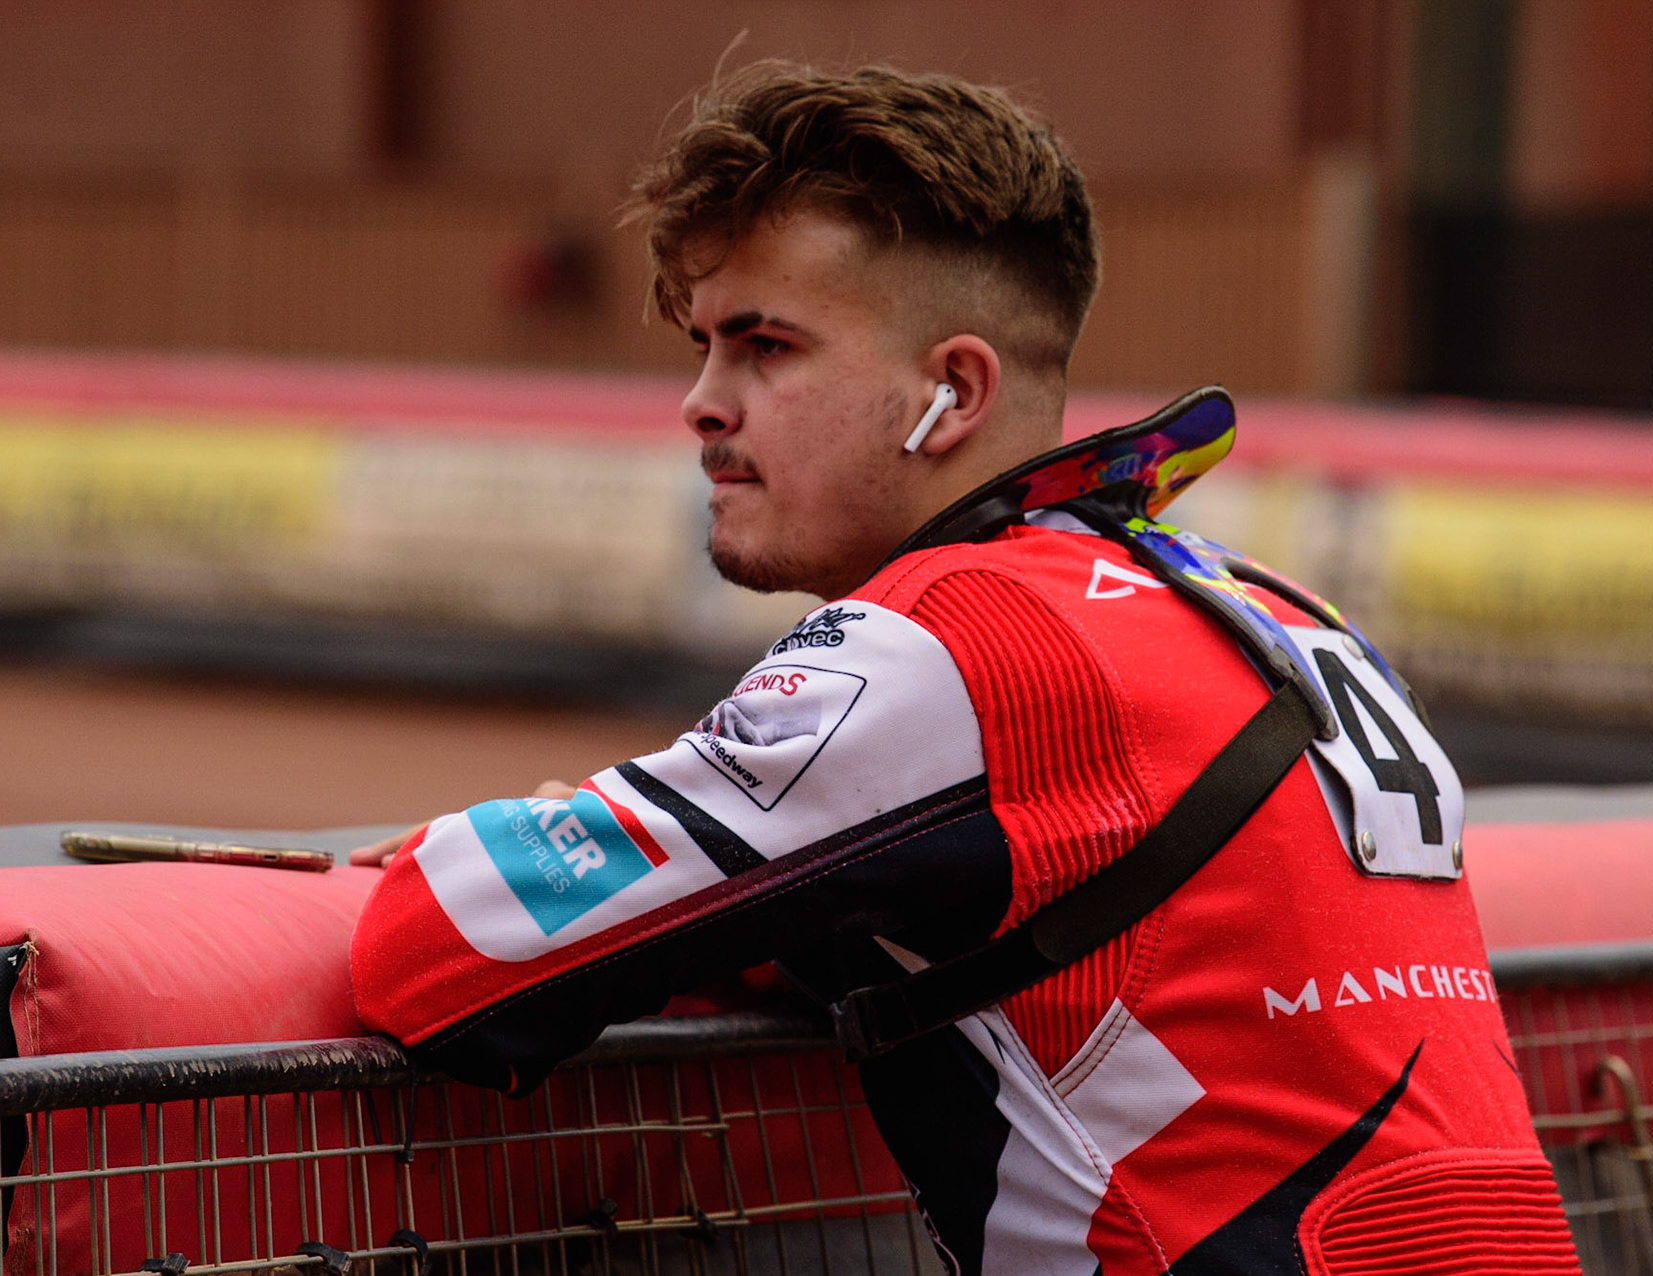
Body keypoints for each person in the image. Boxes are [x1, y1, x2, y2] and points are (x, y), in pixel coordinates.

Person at [349, 63, 1581, 1276]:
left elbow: (439, 953)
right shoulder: (1278, 608)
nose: (703, 403)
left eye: (764, 345)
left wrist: (521, 847)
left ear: (953, 391)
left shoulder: (953, 639)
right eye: (703, 347)